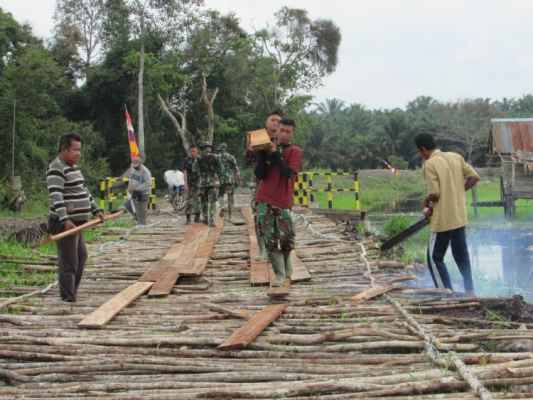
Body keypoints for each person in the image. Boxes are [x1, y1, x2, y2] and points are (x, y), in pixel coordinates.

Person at [415, 133, 480, 296]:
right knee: (461, 256)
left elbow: (435, 193)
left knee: (434, 258)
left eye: (420, 152)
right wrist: (458, 191)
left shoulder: (430, 164)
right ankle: (470, 291)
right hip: (459, 217)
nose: (421, 155)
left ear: (423, 149)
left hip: (442, 220)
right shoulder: (455, 157)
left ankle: (446, 293)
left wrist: (427, 205)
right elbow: (474, 177)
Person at [46, 133, 104, 302]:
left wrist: (96, 210)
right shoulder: (56, 168)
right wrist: (65, 220)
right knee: (69, 261)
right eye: (75, 150)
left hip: (77, 223)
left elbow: (84, 191)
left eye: (80, 150)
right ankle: (68, 297)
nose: (78, 153)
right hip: (64, 223)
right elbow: (56, 196)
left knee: (81, 256)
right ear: (64, 149)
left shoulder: (74, 167)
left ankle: (72, 292)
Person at [255, 118, 302, 295]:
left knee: (287, 238)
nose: (284, 134)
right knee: (270, 239)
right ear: (277, 131)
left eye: (288, 131)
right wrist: (262, 156)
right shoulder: (267, 148)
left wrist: (275, 155)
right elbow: (260, 174)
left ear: (293, 133)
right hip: (264, 198)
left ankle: (287, 266)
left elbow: (287, 173)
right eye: (282, 130)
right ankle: (280, 275)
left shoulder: (295, 151)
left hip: (283, 201)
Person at [247, 110, 283, 259]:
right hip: (260, 183)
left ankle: (275, 248)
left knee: (278, 217)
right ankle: (262, 249)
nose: (275, 123)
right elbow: (248, 162)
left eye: (278, 121)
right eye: (272, 120)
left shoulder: (283, 140)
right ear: (266, 123)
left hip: (278, 184)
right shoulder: (257, 138)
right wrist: (250, 151)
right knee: (260, 216)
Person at [122, 155, 152, 227]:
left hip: (144, 192)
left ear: (140, 163)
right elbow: (131, 178)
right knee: (128, 205)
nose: (135, 167)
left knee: (142, 209)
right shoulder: (132, 168)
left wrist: (136, 188)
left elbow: (148, 183)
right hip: (134, 192)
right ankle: (138, 220)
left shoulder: (145, 172)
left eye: (136, 165)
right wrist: (129, 188)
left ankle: (142, 224)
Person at [198, 142, 222, 227]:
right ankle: (211, 220)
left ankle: (205, 218)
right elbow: (220, 169)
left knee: (203, 201)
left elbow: (194, 169)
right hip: (213, 182)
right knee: (212, 202)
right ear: (209, 149)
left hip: (202, 183)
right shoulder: (216, 157)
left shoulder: (199, 158)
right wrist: (219, 180)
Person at [217, 143, 241, 221]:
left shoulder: (217, 157)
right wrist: (238, 178)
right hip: (230, 179)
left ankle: (222, 207)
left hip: (221, 179)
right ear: (226, 148)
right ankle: (230, 214)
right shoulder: (231, 157)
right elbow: (236, 168)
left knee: (220, 194)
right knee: (230, 195)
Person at [183, 146, 201, 225]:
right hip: (190, 183)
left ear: (197, 152)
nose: (193, 153)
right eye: (191, 151)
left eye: (194, 151)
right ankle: (188, 218)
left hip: (198, 183)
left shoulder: (200, 160)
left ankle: (197, 217)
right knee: (188, 201)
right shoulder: (187, 160)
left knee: (198, 200)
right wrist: (185, 184)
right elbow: (185, 172)